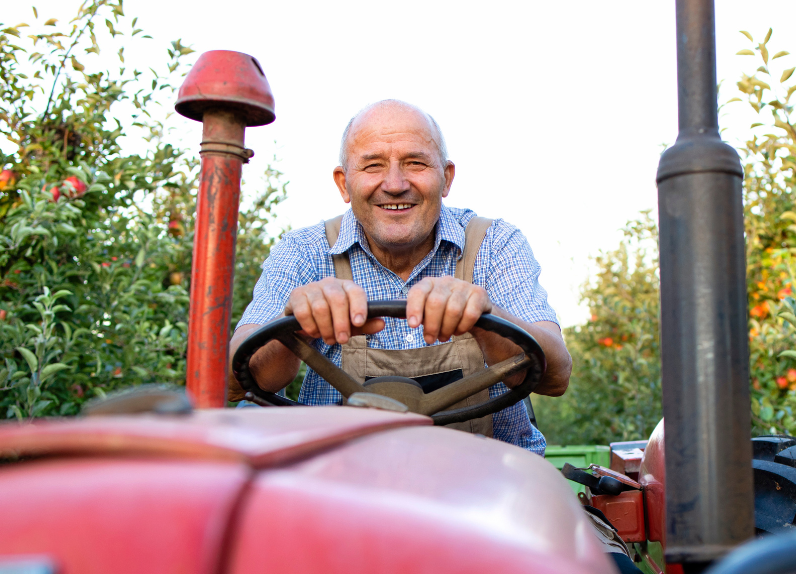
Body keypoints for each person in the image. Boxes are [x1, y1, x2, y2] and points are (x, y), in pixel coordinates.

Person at [228, 99, 572, 453]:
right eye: (373, 166)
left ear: (446, 178)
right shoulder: (304, 251)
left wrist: (486, 316)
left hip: (490, 491)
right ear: (344, 184)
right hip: (341, 489)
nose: (394, 184)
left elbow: (556, 376)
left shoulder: (495, 243)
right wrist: (298, 322)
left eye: (415, 163)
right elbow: (235, 380)